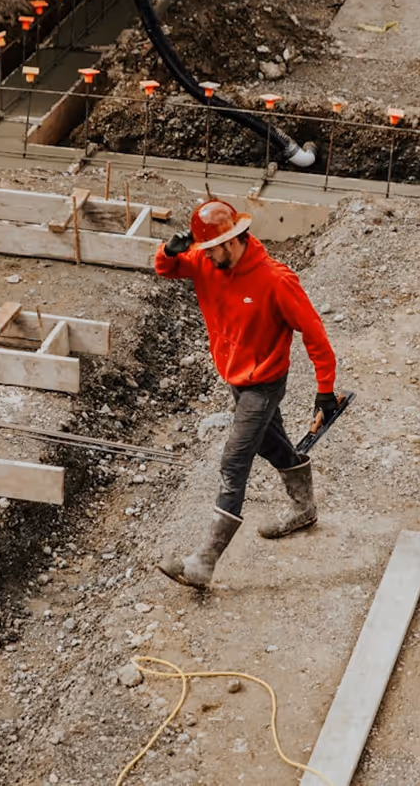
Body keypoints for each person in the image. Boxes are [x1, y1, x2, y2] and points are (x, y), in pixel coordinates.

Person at [154, 198, 340, 588]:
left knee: (233, 462)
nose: (203, 256)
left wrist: (325, 390)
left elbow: (314, 332)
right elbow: (167, 269)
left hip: (264, 383)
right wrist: (169, 250)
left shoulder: (275, 280)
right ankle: (305, 509)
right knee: (271, 446)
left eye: (210, 248)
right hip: (235, 377)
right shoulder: (208, 263)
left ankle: (203, 564)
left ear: (232, 239)